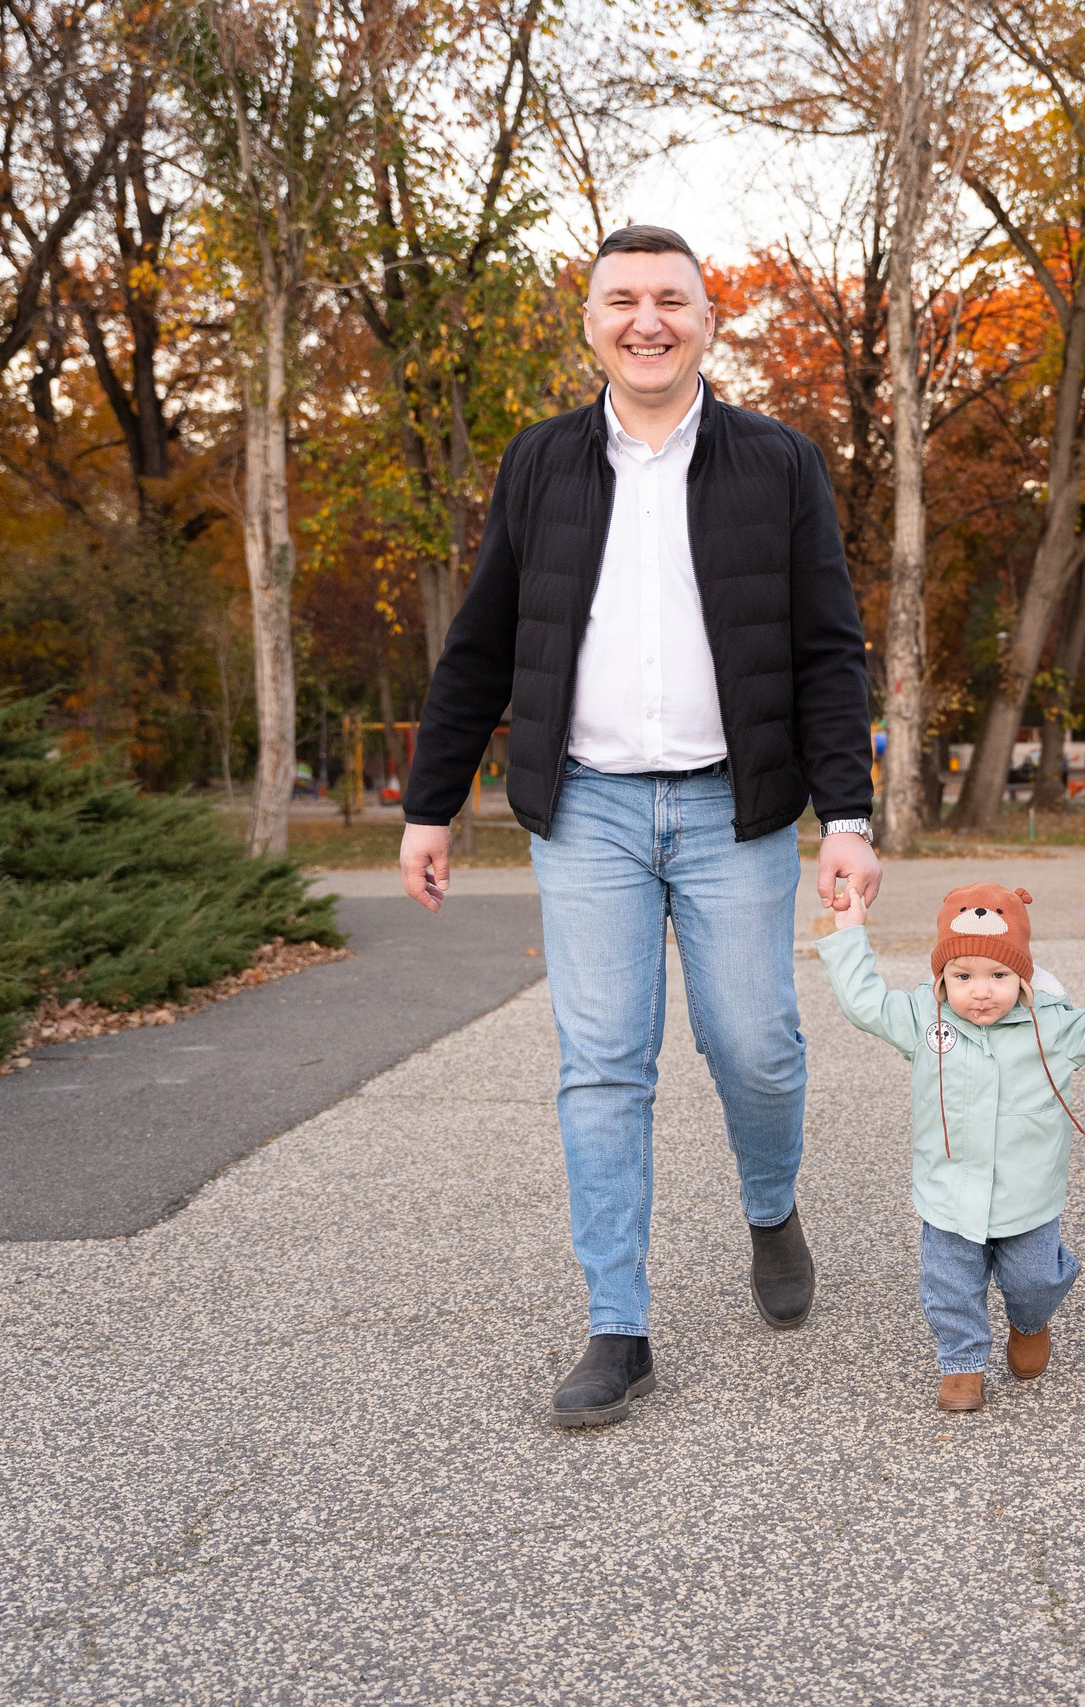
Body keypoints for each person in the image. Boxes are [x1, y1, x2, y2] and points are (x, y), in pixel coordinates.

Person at [398, 225, 882, 1429]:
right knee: (603, 1066)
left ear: (710, 322)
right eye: (623, 300)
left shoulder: (777, 463)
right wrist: (430, 802)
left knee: (753, 1045)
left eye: (672, 299)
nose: (647, 320)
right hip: (591, 812)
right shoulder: (542, 463)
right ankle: (619, 1323)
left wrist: (849, 817)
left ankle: (770, 1207)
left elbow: (827, 650)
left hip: (737, 806)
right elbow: (482, 644)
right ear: (591, 325)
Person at [815, 880, 1085, 1413]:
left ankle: (1029, 1321)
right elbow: (864, 1003)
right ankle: (962, 1362)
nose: (980, 992)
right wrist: (849, 930)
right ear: (942, 978)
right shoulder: (925, 1020)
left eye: (998, 976)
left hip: (1026, 1196)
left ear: (1023, 975)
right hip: (949, 1196)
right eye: (963, 977)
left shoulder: (1050, 1027)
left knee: (1033, 1279)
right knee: (949, 1284)